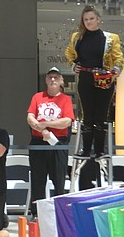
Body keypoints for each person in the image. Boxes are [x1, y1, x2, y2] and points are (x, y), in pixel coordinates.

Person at [65, 5, 124, 158]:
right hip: (85, 77)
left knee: (101, 115)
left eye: (91, 19)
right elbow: (69, 53)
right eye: (85, 19)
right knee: (87, 114)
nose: (89, 22)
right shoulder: (77, 37)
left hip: (104, 78)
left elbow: (118, 57)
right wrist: (73, 65)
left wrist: (117, 69)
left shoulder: (111, 38)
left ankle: (99, 150)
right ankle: (86, 150)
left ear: (98, 19)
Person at [27, 67, 74, 213]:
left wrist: (46, 124)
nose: (53, 79)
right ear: (46, 80)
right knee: (38, 180)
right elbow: (30, 118)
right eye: (50, 77)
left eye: (56, 77)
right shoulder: (37, 97)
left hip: (58, 143)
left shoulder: (65, 99)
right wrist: (43, 131)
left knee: (58, 180)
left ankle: (59, 213)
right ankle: (37, 213)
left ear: (61, 81)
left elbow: (67, 121)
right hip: (38, 142)